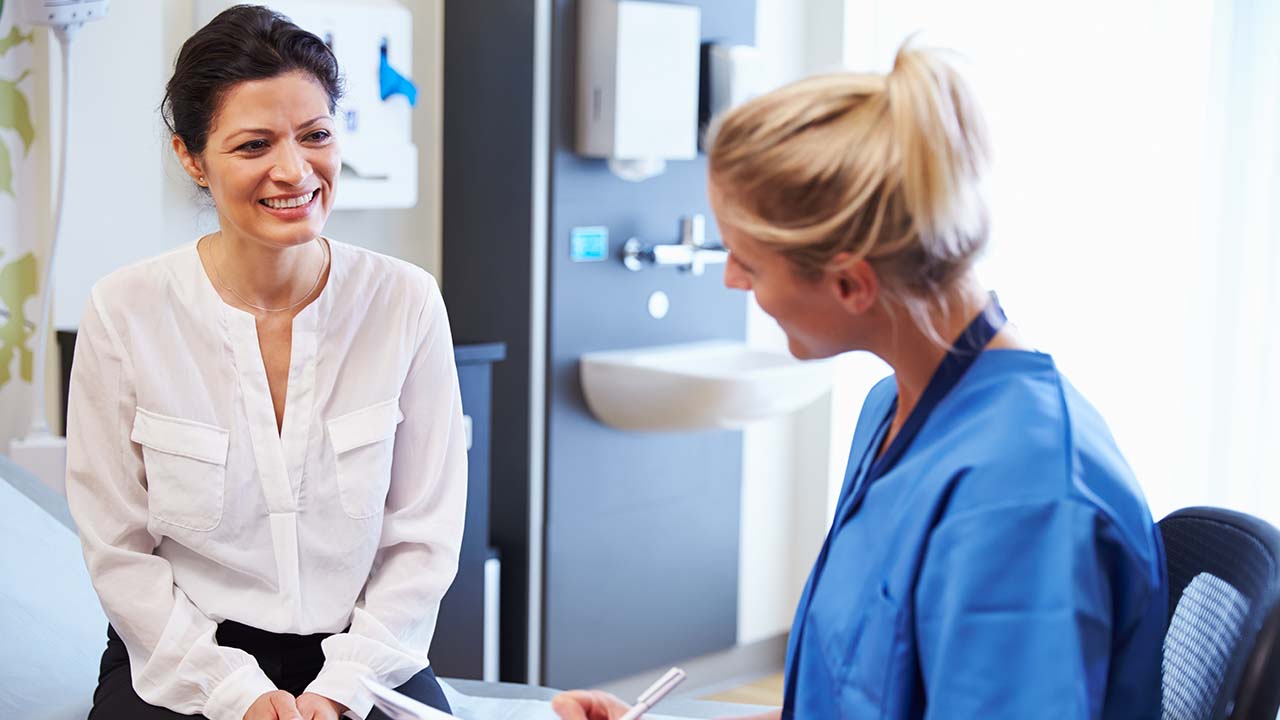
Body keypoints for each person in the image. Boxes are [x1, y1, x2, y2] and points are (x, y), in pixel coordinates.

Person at [552, 42, 1167, 720]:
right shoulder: (895, 412)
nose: (730, 279)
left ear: (850, 283)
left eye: (749, 265)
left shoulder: (1024, 498)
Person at [64, 6, 467, 720]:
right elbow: (118, 547)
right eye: (253, 145)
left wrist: (342, 687)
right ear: (192, 157)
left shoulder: (405, 303)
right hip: (183, 654)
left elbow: (423, 538)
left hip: (364, 651)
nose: (294, 169)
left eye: (314, 135)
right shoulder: (123, 312)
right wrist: (235, 693)